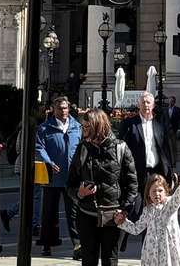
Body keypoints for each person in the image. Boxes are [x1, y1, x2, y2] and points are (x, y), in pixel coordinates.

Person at [68, 109, 137, 266]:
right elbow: (70, 183)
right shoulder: (82, 150)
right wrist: (79, 193)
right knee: (88, 260)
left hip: (112, 216)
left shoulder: (120, 148)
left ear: (97, 127)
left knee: (110, 261)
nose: (82, 130)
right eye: (82, 126)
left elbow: (132, 184)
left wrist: (125, 210)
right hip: (86, 214)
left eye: (86, 127)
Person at [36, 95, 82, 251]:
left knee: (74, 212)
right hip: (52, 177)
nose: (63, 111)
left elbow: (82, 148)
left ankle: (77, 244)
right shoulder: (44, 128)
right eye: (60, 108)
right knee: (48, 212)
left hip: (72, 177)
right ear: (53, 110)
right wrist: (48, 162)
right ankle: (47, 244)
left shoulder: (77, 126)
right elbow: (39, 147)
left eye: (65, 108)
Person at [130, 172, 180, 266]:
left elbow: (178, 197)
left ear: (166, 191)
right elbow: (136, 229)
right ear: (148, 194)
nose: (157, 194)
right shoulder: (147, 210)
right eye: (154, 191)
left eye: (160, 191)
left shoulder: (170, 204)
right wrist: (122, 222)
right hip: (151, 254)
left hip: (169, 251)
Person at [120, 92, 176, 186]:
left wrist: (170, 174)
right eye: (143, 102)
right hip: (136, 173)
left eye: (148, 102)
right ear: (139, 105)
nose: (146, 105)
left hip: (156, 171)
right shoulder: (129, 124)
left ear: (153, 105)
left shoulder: (160, 126)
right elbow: (123, 149)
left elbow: (165, 151)